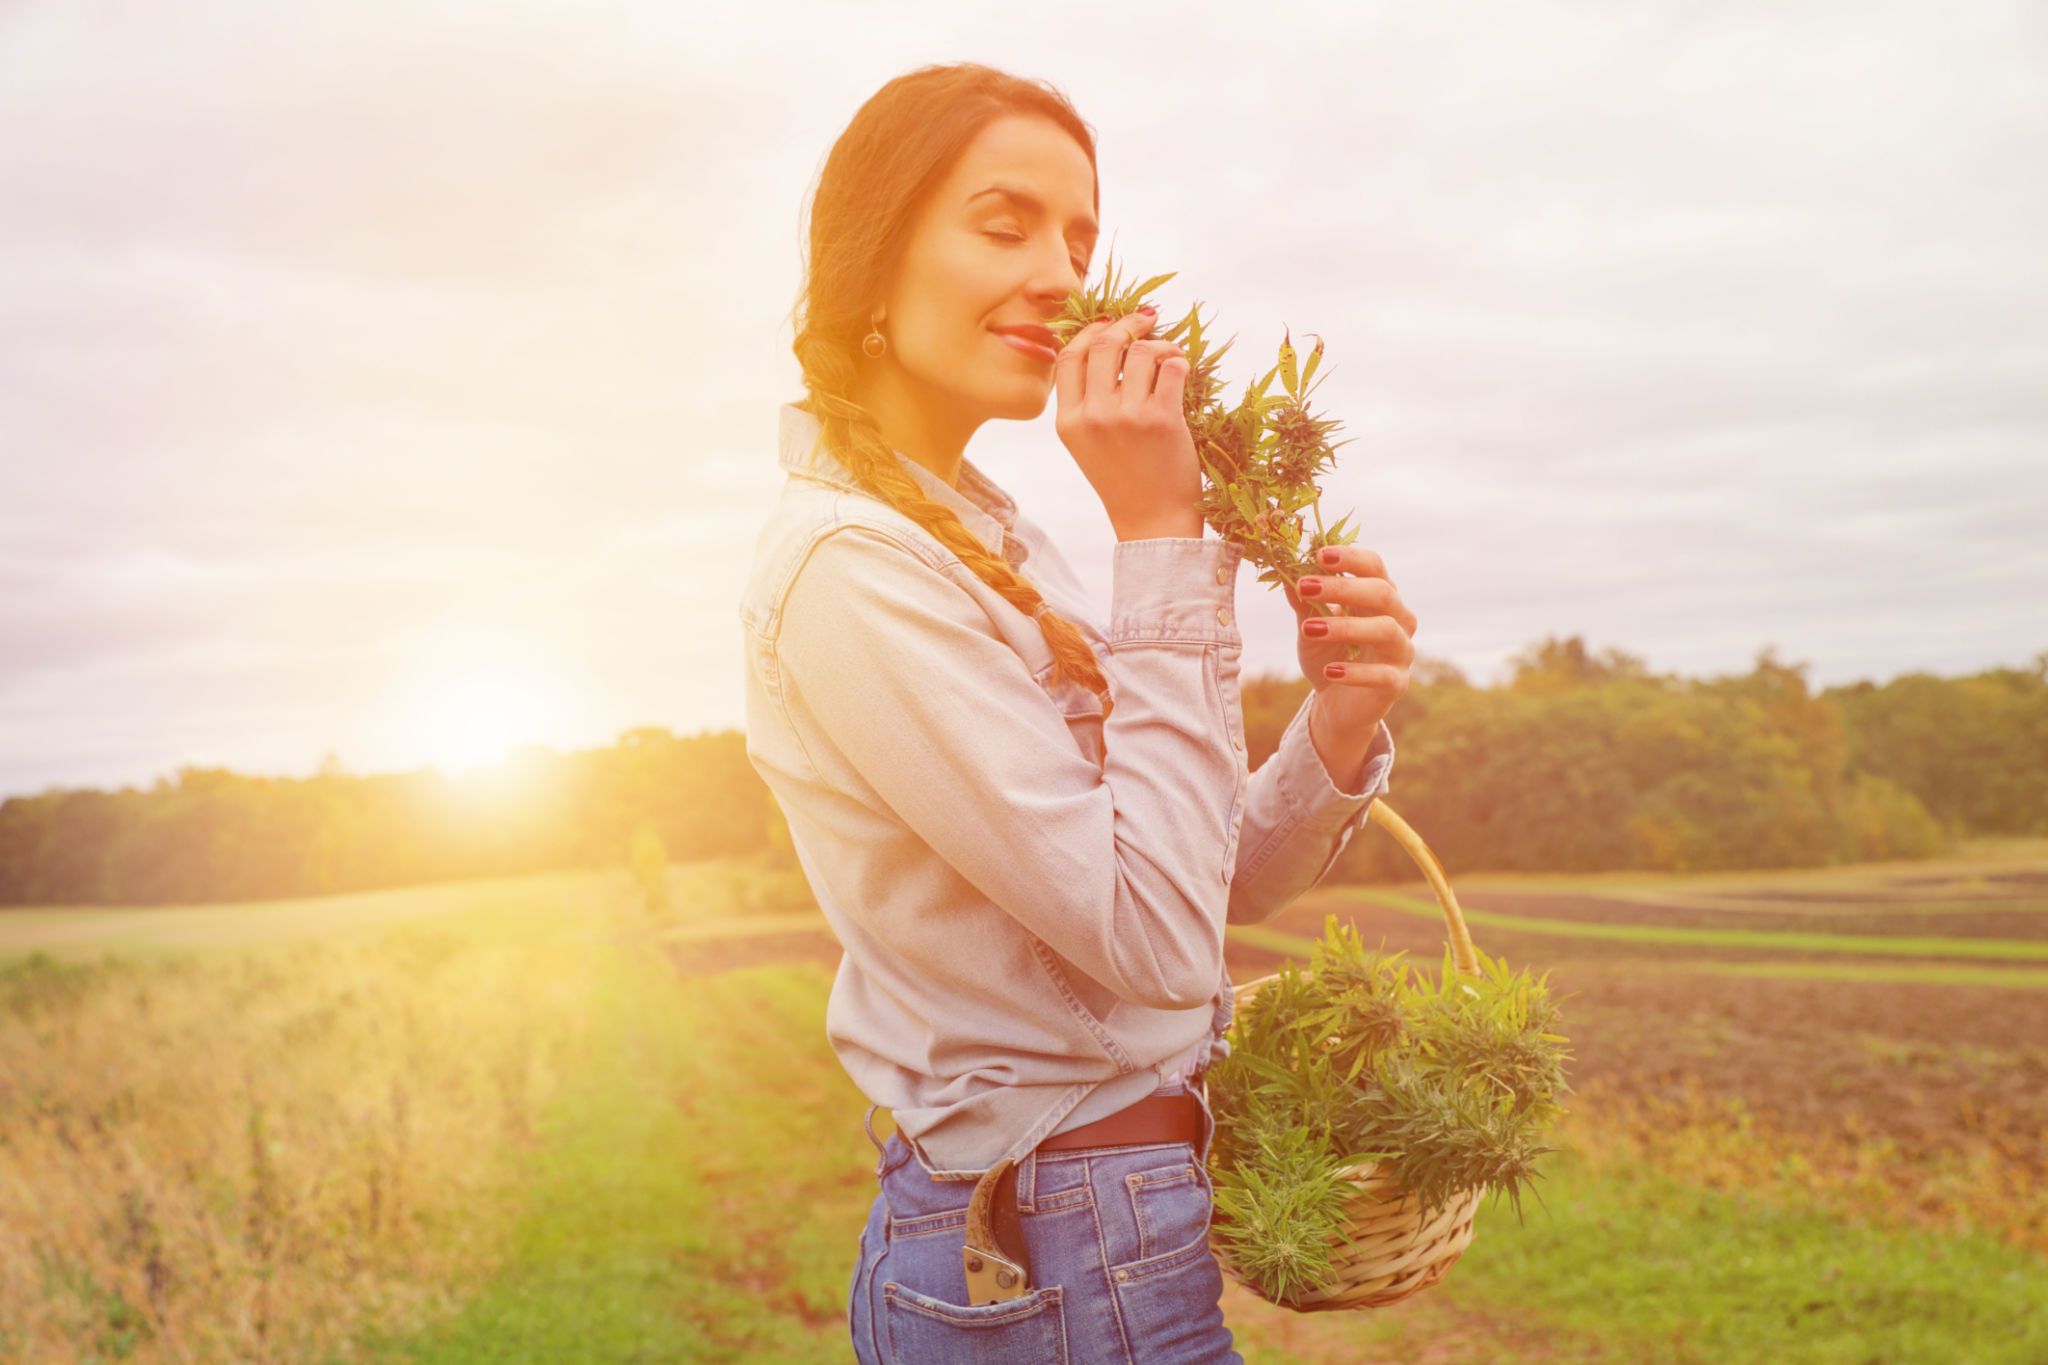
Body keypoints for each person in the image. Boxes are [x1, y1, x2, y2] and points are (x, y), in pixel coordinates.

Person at [737, 61, 1418, 1364]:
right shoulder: (848, 569)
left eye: (1083, 237)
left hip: (1103, 1225)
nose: (1063, 272)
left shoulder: (1000, 541)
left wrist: (1337, 726)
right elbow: (1158, 944)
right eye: (1006, 227)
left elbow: (1195, 890)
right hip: (1047, 1247)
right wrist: (1161, 531)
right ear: (874, 261)